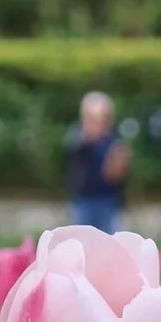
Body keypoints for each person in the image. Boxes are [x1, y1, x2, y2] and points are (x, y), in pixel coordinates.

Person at [67, 91, 131, 233]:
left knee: (110, 241)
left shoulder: (115, 139)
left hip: (109, 201)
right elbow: (73, 151)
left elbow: (121, 173)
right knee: (81, 240)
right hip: (83, 201)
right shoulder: (77, 136)